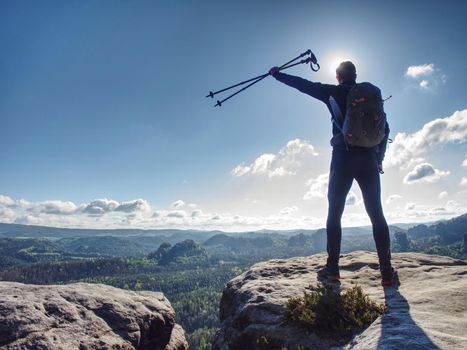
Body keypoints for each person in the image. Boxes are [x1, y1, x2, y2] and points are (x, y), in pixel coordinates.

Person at [269, 61, 396, 285]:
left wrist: (278, 75)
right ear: (355, 76)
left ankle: (333, 270)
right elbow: (385, 129)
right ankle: (386, 272)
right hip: (368, 159)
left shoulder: (334, 92)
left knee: (335, 212)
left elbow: (304, 85)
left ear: (338, 76)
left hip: (342, 159)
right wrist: (378, 159)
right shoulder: (372, 97)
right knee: (376, 213)